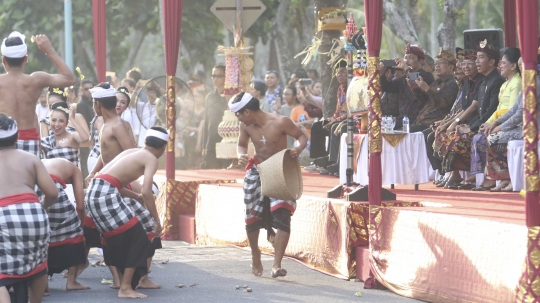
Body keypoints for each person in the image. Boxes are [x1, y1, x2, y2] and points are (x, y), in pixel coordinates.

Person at [230, 92, 307, 278]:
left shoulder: (281, 122)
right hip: (257, 169)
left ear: (247, 112)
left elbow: (302, 136)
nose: (237, 118)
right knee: (252, 215)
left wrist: (297, 148)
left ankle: (276, 264)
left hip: (280, 169)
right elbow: (241, 145)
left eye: (238, 114)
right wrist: (241, 154)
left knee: (283, 213)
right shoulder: (245, 125)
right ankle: (255, 253)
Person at [85, 126, 166, 298]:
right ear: (162, 148)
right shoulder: (151, 158)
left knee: (140, 229)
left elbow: (112, 181)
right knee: (138, 236)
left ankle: (134, 280)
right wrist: (157, 219)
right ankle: (125, 287)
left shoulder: (131, 152)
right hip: (105, 195)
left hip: (96, 191)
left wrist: (135, 196)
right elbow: (147, 192)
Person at [84, 83, 139, 287]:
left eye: (93, 103)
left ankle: (137, 277)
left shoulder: (117, 125)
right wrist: (93, 172)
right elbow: (103, 152)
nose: (92, 106)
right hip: (106, 183)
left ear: (98, 104)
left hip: (118, 185)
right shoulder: (103, 124)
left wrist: (121, 181)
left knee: (123, 233)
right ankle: (117, 279)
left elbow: (131, 154)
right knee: (104, 233)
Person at [0, 114, 58, 303]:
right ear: (17, 137)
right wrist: (42, 207)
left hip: (4, 215)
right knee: (39, 264)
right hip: (34, 213)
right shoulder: (31, 159)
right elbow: (52, 193)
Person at [440, 40, 505, 190]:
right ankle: (465, 175)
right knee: (454, 135)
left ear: (492, 62)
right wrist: (464, 125)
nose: (477, 62)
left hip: (492, 124)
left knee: (467, 138)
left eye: (480, 58)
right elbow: (479, 111)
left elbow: (489, 112)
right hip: (481, 123)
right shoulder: (484, 81)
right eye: (476, 58)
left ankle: (485, 176)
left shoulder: (496, 81)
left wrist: (471, 127)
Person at [0, 32, 76, 157]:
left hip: (3, 138)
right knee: (29, 176)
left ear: (3, 60)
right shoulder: (36, 80)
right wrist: (49, 50)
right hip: (30, 140)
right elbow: (70, 79)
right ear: (26, 58)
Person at [467, 48, 522, 191]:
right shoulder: (505, 84)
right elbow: (499, 110)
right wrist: (490, 123)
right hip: (505, 122)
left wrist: (498, 126)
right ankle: (494, 177)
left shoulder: (517, 83)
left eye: (503, 63)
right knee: (482, 135)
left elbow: (515, 113)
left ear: (513, 66)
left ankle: (502, 176)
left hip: (519, 126)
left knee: (489, 138)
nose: (500, 66)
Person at [40, 158, 89, 292]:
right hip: (53, 189)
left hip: (34, 190)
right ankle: (71, 281)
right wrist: (81, 227)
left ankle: (42, 286)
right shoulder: (74, 169)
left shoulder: (42, 161)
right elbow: (80, 206)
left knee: (43, 237)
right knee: (75, 234)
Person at [380, 43, 435, 129]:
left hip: (417, 119)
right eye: (406, 57)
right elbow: (387, 87)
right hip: (402, 118)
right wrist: (382, 74)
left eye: (411, 58)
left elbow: (414, 84)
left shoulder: (427, 76)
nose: (406, 61)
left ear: (420, 61)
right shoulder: (404, 78)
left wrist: (406, 68)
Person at [411, 49, 459, 133]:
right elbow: (425, 100)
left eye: (441, 63)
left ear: (451, 67)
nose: (437, 66)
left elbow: (443, 103)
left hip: (434, 124)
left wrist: (427, 89)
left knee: (402, 134)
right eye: (436, 63)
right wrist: (415, 88)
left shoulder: (452, 83)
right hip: (421, 122)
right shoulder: (437, 82)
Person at [41, 102, 89, 166]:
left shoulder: (72, 136)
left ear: (66, 123)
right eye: (54, 120)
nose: (57, 124)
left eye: (61, 121)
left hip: (72, 174)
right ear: (50, 122)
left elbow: (85, 138)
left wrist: (72, 119)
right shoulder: (46, 141)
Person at [202, 64, 229, 169]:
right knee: (212, 173)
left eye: (219, 76)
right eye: (213, 76)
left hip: (227, 141)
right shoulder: (209, 97)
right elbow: (206, 122)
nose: (215, 79)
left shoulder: (231, 96)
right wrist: (204, 146)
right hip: (211, 142)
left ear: (225, 77)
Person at [75, 79, 95, 180]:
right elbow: (84, 124)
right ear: (82, 90)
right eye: (87, 89)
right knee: (85, 166)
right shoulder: (82, 104)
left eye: (91, 88)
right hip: (86, 141)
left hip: (90, 140)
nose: (89, 90)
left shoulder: (90, 102)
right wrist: (89, 142)